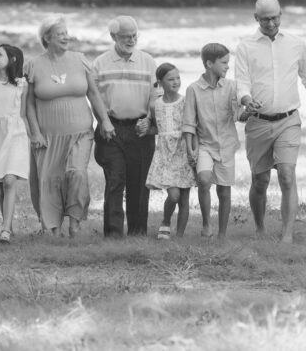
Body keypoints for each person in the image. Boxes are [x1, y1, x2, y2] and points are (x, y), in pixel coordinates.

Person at [235, 0, 306, 244]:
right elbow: (242, 81)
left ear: (281, 15)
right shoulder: (245, 47)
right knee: (260, 180)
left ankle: (287, 236)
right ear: (256, 18)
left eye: (275, 17)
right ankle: (260, 228)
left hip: (288, 120)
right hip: (258, 122)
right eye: (265, 19)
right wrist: (245, 99)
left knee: (287, 174)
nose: (271, 23)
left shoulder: (295, 44)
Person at [25, 15, 113, 237]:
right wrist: (35, 132)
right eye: (60, 34)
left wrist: (105, 121)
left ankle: (74, 224)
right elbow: (29, 105)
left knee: (77, 174)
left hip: (80, 133)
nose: (66, 37)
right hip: (47, 136)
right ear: (47, 38)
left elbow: (93, 93)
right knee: (49, 180)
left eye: (66, 33)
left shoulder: (79, 60)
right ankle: (52, 228)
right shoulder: (34, 65)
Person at [92, 15, 159, 237]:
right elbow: (95, 98)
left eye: (134, 36)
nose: (131, 40)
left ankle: (138, 233)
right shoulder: (101, 63)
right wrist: (104, 121)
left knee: (139, 183)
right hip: (111, 129)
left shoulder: (148, 61)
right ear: (113, 37)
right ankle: (113, 234)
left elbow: (154, 96)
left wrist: (149, 119)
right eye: (126, 37)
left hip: (140, 129)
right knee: (115, 179)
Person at [182, 43, 241, 239]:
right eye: (223, 63)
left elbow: (238, 114)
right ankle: (207, 224)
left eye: (228, 62)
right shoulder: (193, 89)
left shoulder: (232, 86)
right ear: (209, 63)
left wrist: (247, 111)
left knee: (224, 191)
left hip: (226, 145)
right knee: (204, 179)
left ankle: (222, 234)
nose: (227, 66)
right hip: (205, 145)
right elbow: (189, 122)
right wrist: (191, 148)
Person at [0, 44, 33, 244]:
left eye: (0, 55)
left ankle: (4, 230)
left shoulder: (22, 84)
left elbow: (22, 113)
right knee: (1, 183)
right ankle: (8, 223)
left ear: (12, 60)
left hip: (16, 134)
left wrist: (33, 135)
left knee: (10, 180)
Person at [141, 63, 194, 239]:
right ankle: (165, 221)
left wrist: (193, 150)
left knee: (184, 197)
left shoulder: (186, 101)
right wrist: (142, 128)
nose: (176, 82)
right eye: (170, 79)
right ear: (160, 82)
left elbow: (192, 126)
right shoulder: (156, 105)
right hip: (165, 153)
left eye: (178, 78)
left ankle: (179, 236)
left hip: (183, 150)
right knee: (174, 195)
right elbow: (157, 128)